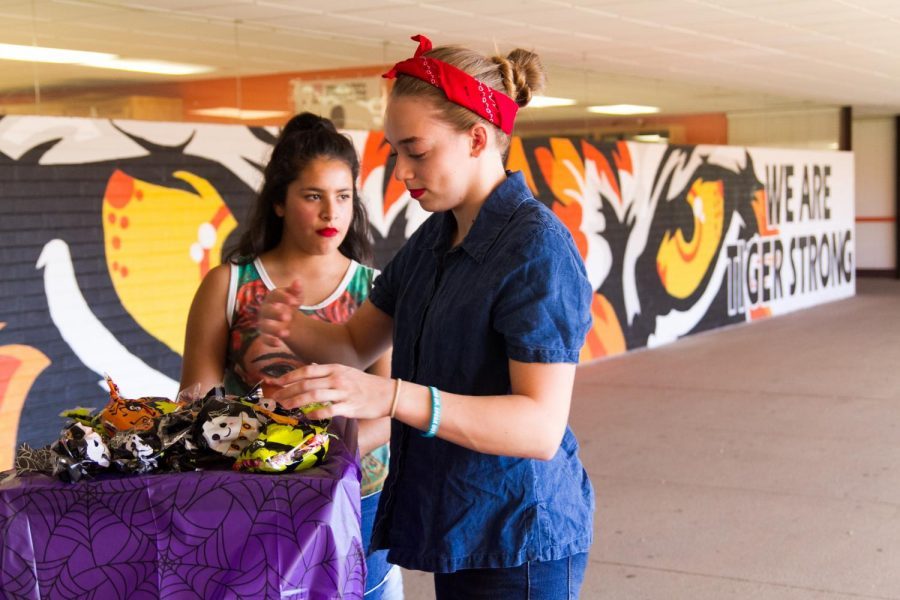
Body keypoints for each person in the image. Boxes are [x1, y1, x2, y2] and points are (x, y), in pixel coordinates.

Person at [258, 36, 594, 599]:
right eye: (394, 152)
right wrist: (289, 324)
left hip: (520, 536)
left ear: (478, 139)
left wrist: (389, 398)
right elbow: (352, 344)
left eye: (415, 150)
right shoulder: (434, 238)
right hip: (455, 522)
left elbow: (539, 428)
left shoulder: (537, 249)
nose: (400, 171)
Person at [180, 112, 403, 599]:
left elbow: (394, 406)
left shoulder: (377, 290)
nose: (332, 213)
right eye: (313, 196)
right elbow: (193, 403)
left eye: (343, 197)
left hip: (360, 498)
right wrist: (265, 457)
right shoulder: (229, 284)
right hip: (257, 499)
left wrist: (326, 457)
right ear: (279, 202)